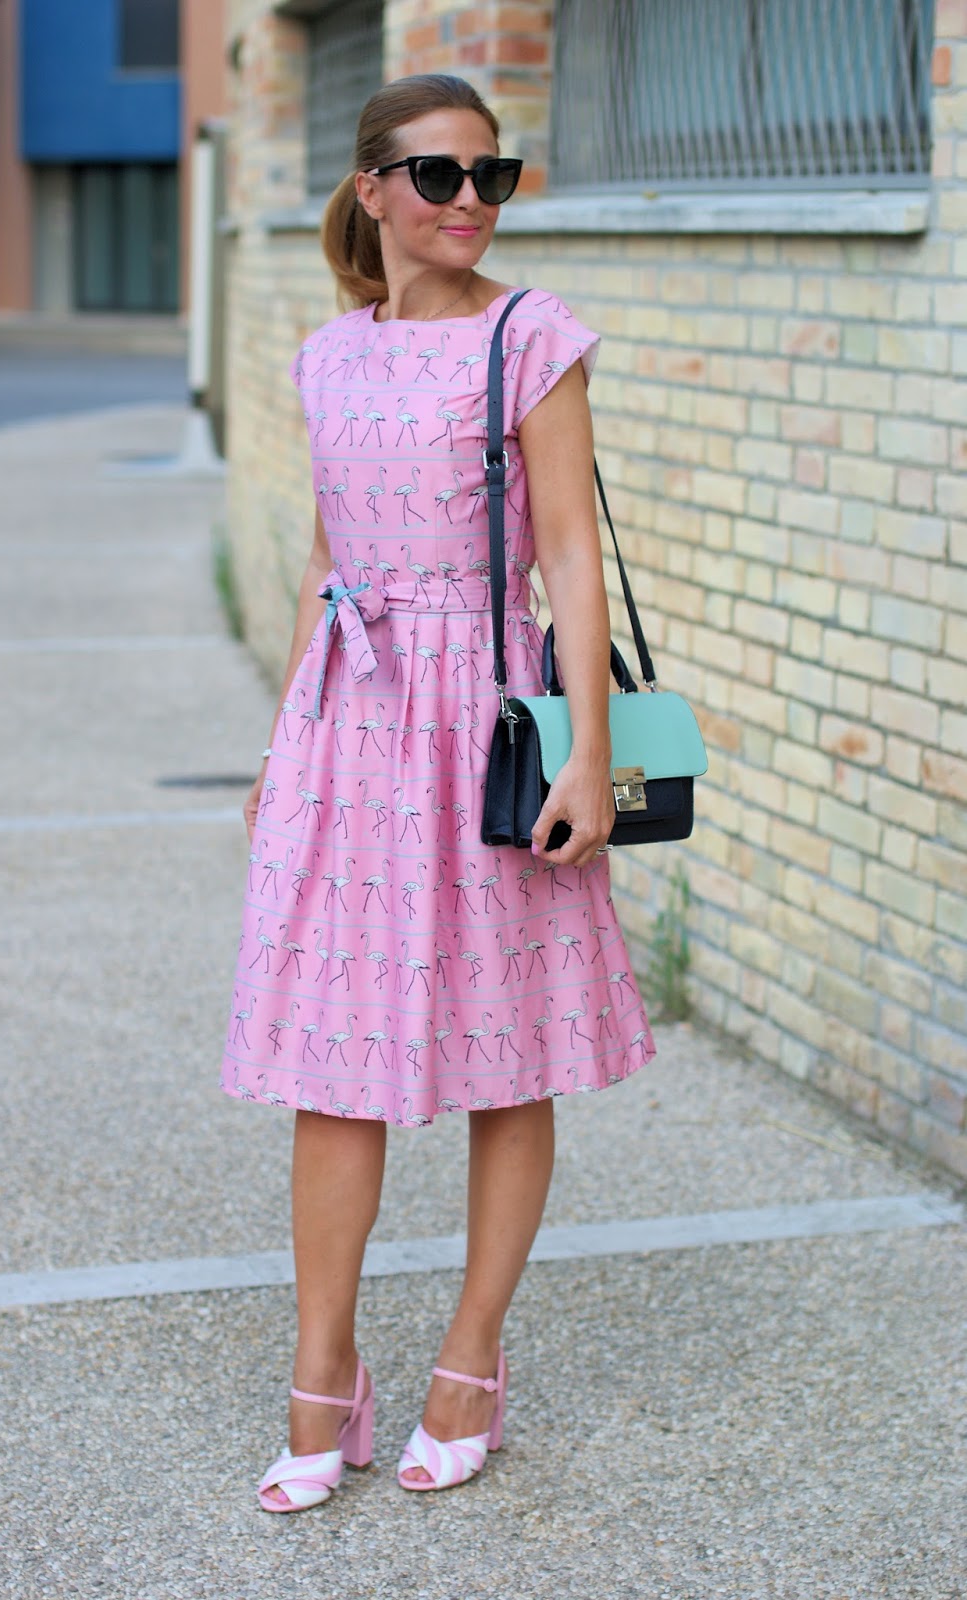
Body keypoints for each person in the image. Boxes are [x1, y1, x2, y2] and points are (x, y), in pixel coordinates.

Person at [220, 72, 654, 1511]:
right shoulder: (328, 356)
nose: (469, 200)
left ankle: (472, 1355)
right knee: (326, 1066)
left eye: (492, 175)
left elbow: (574, 555)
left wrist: (592, 750)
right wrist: (284, 747)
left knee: (504, 1049)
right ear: (371, 191)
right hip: (353, 721)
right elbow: (322, 564)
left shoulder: (533, 341)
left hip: (486, 720)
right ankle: (321, 1369)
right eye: (437, 175)